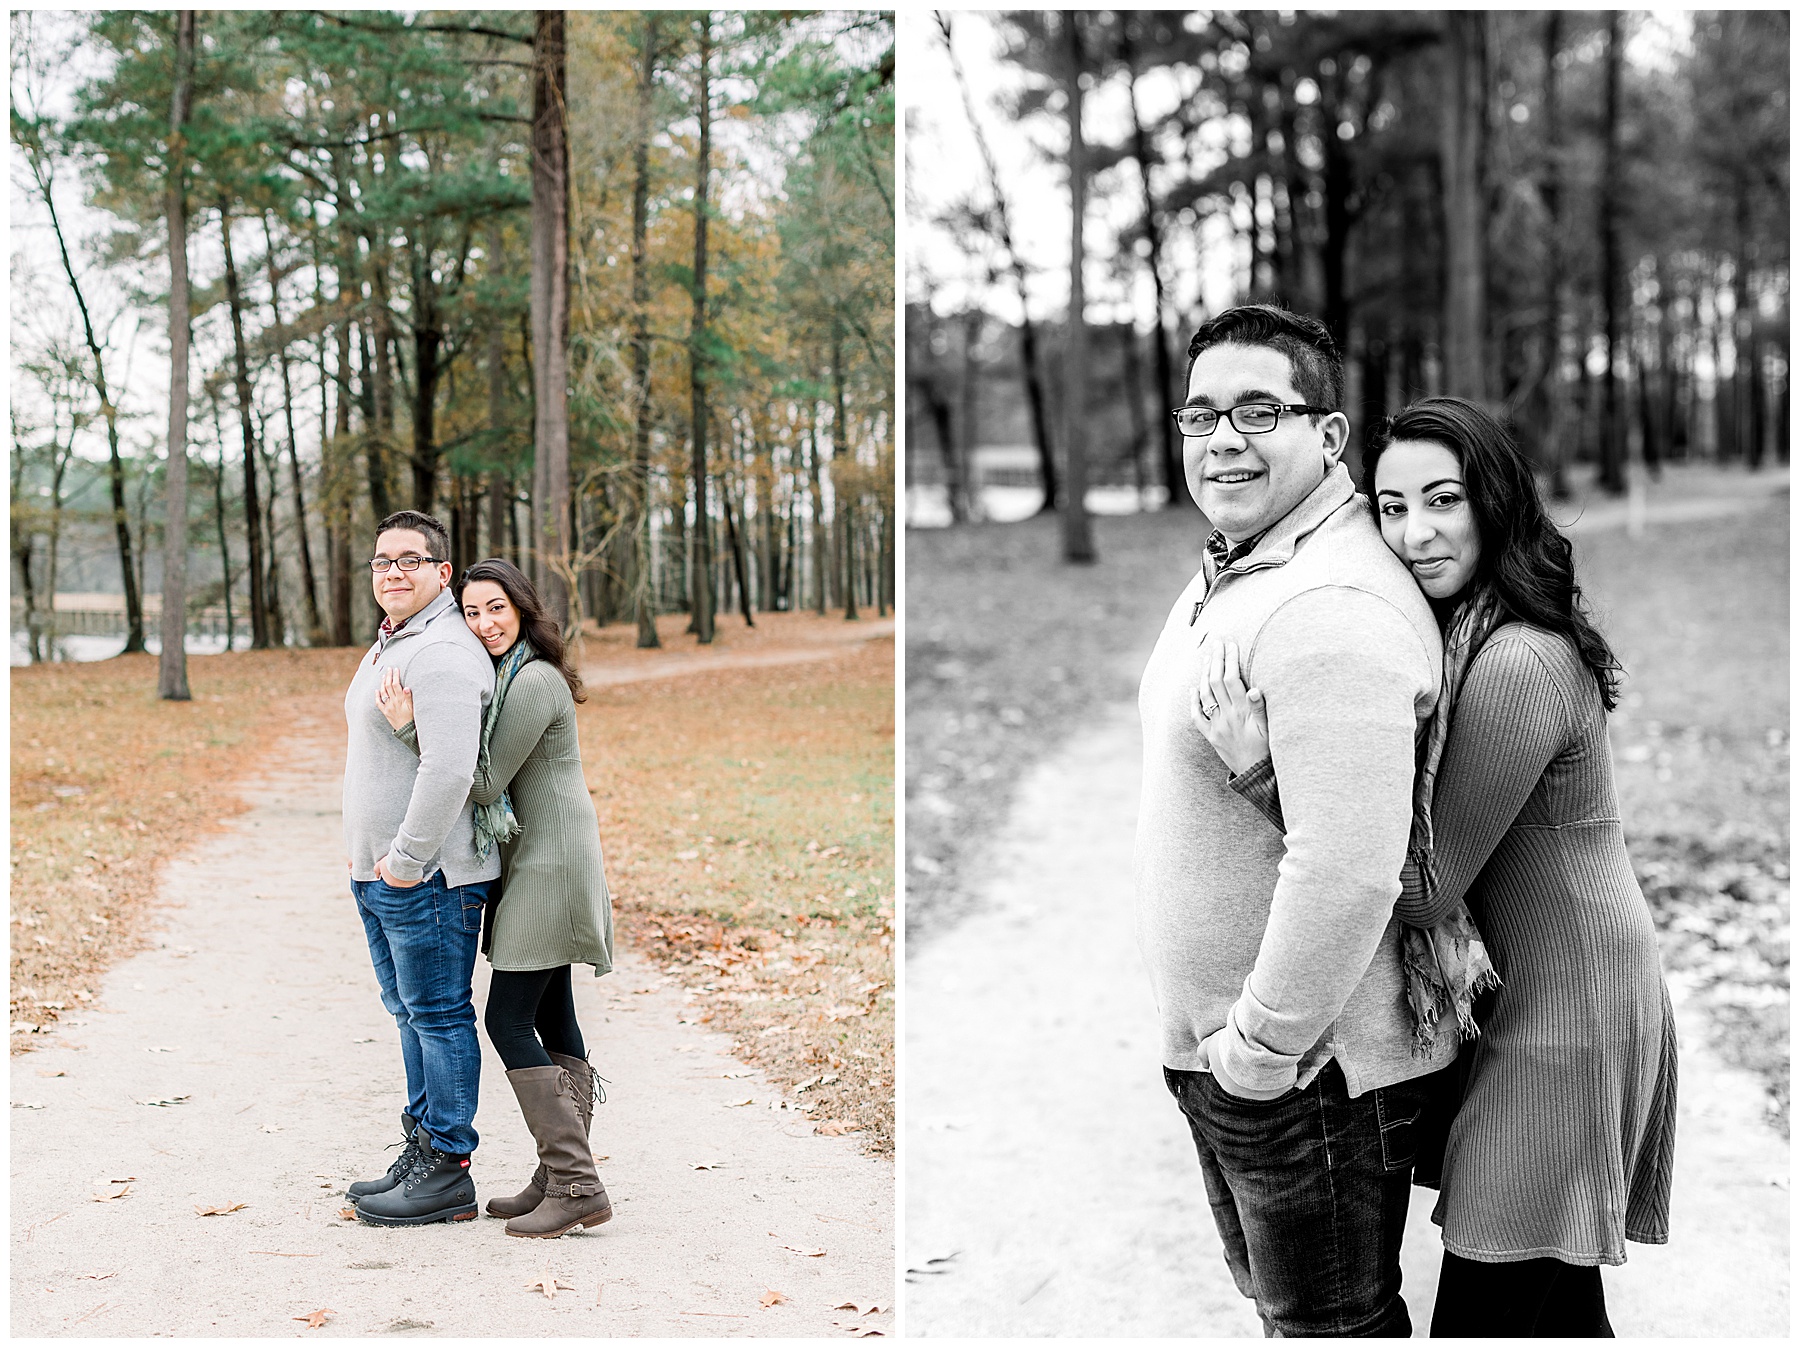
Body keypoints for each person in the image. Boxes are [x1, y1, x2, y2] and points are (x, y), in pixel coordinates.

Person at [1193, 396, 1677, 1337]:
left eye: (1443, 500)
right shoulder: (1463, 638)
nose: (1415, 533)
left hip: (1567, 1018)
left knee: (1493, 1308)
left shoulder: (1516, 663)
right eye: (1391, 506)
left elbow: (1419, 888)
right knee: (1553, 1311)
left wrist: (1267, 773)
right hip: (1532, 1001)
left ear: (1494, 504)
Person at [1134, 303, 1451, 1336]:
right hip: (1242, 1057)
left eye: (1257, 410)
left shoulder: (1330, 604)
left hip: (1306, 1073)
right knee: (1296, 1318)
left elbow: (1349, 866)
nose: (1223, 438)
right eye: (1201, 416)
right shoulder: (1250, 554)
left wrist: (1258, 1052)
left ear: (1328, 435)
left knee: (1332, 1329)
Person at [377, 557, 615, 1239]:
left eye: (496, 609)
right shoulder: (512, 676)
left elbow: (481, 784)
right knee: (555, 1018)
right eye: (472, 612)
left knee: (508, 1019)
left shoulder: (534, 681)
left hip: (550, 865)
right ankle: (560, 1177)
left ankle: (575, 1181)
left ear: (523, 610)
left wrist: (410, 726)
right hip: (538, 859)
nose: (483, 624)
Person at [342, 509, 496, 1227]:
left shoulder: (441, 652)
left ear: (442, 572)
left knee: (436, 1016)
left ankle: (447, 1168)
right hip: (379, 876)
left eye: (409, 560)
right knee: (409, 1014)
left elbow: (448, 771)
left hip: (427, 878)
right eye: (381, 561)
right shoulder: (393, 644)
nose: (392, 572)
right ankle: (422, 1147)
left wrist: (403, 862)